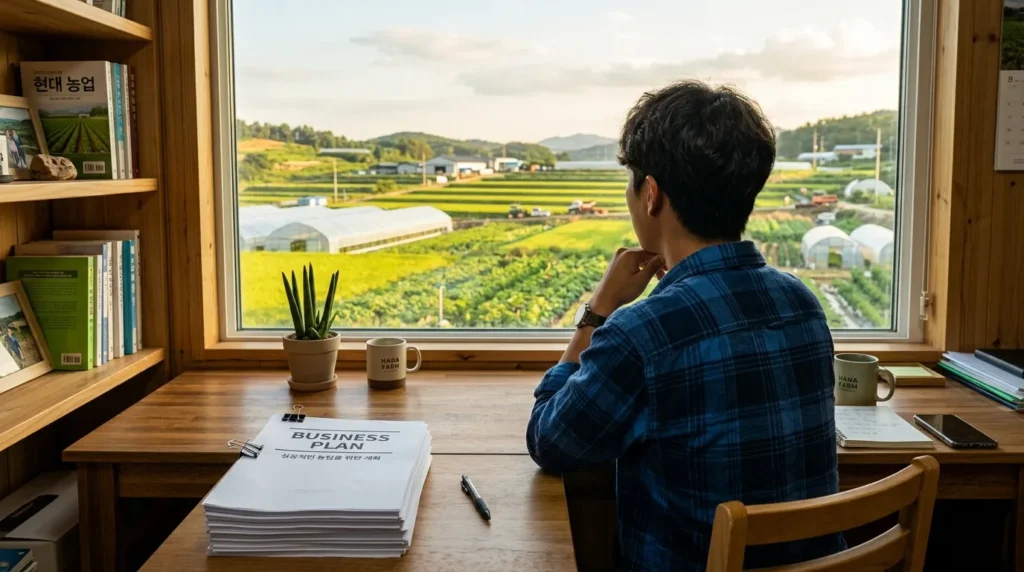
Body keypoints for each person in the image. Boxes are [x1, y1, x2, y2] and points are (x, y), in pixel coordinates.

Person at [526, 80, 844, 571]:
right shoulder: (801, 302)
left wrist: (599, 309)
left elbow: (550, 441)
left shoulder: (642, 332)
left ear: (651, 194)